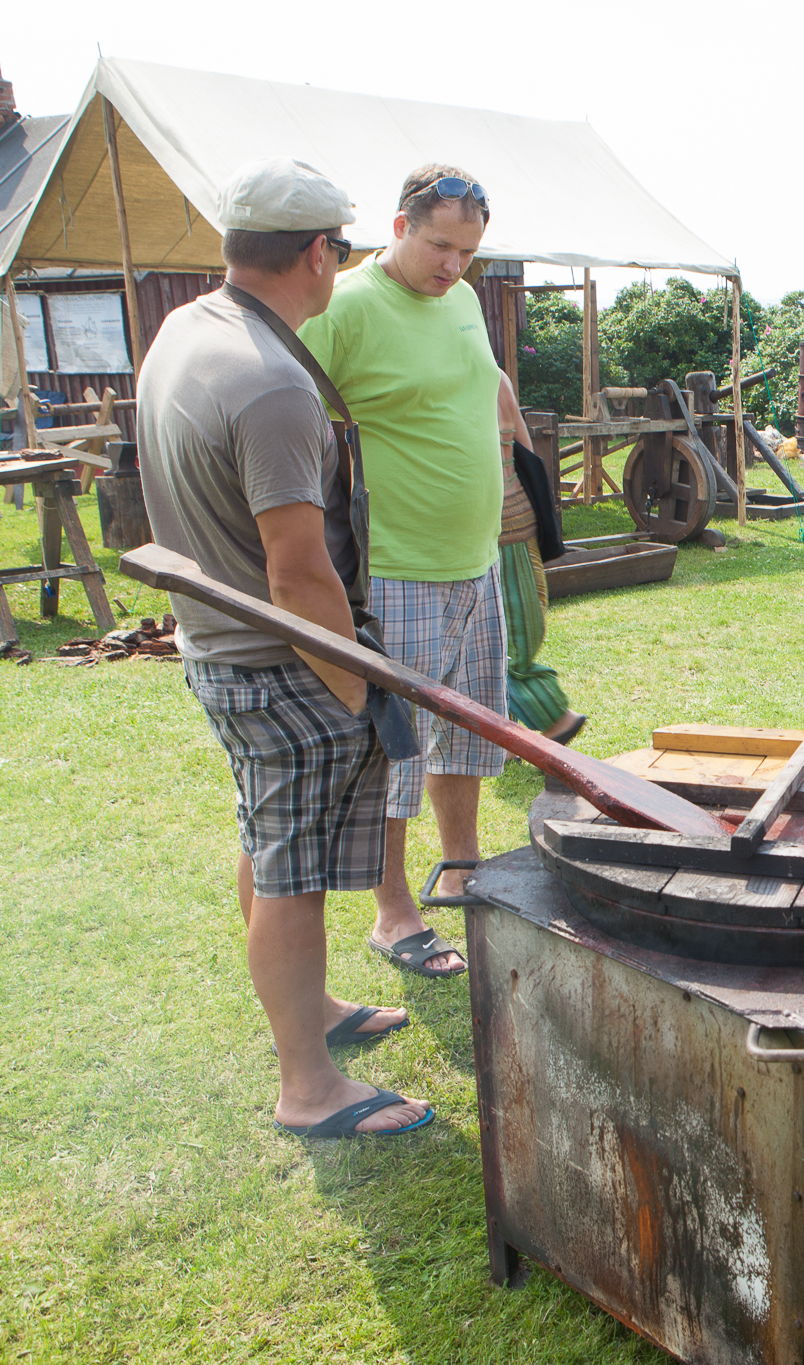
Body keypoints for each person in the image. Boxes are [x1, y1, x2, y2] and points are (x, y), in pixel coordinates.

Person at [138, 157, 430, 1137]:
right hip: (275, 662)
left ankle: (310, 1014)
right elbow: (298, 570)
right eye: (339, 250)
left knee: (269, 846)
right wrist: (354, 694)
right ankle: (308, 1089)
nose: (339, 266)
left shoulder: (188, 330)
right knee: (293, 872)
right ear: (316, 253)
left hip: (221, 649)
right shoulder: (272, 385)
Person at [300, 165, 505, 979]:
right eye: (440, 245)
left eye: (469, 251)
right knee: (395, 751)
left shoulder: (461, 299)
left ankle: (462, 870)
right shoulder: (344, 309)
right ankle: (394, 913)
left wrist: (514, 455)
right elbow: (291, 418)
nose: (454, 265)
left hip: (476, 562)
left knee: (470, 733)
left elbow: (484, 385)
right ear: (398, 226)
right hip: (395, 570)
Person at [495, 371, 584, 744]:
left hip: (506, 522)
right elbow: (527, 452)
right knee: (515, 632)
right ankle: (549, 718)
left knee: (514, 629)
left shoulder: (488, 377)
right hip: (506, 519)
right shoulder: (494, 375)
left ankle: (523, 724)